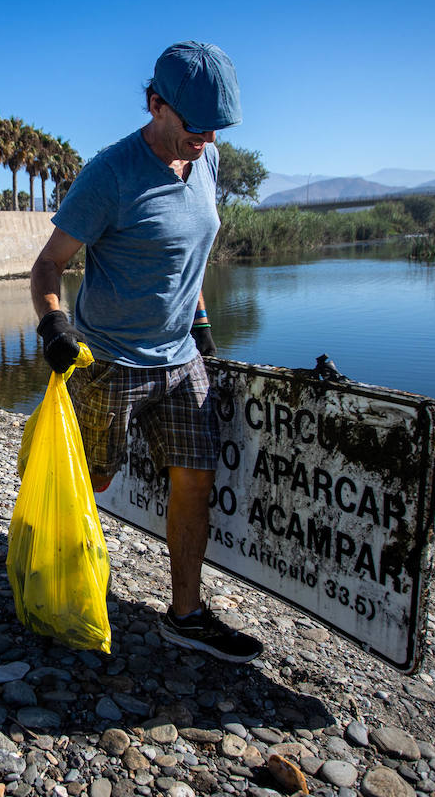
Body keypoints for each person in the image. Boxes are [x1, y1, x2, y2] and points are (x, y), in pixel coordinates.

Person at [29, 41, 263, 663]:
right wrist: (54, 327)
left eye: (216, 128)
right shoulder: (111, 174)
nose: (207, 139)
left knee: (194, 478)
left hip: (181, 358)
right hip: (108, 361)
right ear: (156, 105)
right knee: (94, 477)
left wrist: (205, 324)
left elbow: (187, 257)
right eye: (195, 125)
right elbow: (49, 265)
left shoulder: (205, 160)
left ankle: (185, 613)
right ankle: (54, 575)